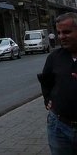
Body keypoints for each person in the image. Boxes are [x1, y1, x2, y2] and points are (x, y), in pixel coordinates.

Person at [39, 12, 77, 154]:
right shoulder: (54, 57)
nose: (61, 37)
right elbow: (46, 82)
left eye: (67, 32)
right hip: (59, 127)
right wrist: (47, 99)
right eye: (59, 33)